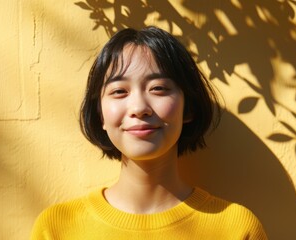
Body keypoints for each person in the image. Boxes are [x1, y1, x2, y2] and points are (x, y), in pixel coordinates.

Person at [31, 26, 267, 239]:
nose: (139, 108)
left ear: (189, 109)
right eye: (119, 91)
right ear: (101, 115)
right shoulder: (57, 228)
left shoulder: (235, 228)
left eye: (158, 88)